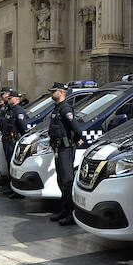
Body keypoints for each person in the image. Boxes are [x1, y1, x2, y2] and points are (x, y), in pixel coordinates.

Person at [46, 83, 83, 225]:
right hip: (58, 149)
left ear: (61, 92)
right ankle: (64, 210)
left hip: (65, 149)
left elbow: (76, 128)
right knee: (61, 180)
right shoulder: (57, 108)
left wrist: (76, 139)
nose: (51, 93)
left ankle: (71, 214)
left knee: (67, 181)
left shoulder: (65, 108)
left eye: (54, 91)